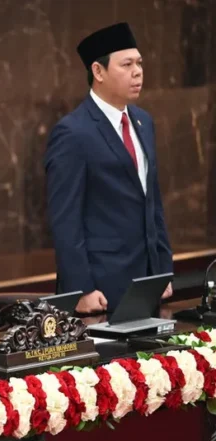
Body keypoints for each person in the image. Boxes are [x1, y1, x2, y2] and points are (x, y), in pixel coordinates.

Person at [45, 23, 173, 314]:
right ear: (98, 72)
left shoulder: (144, 122)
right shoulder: (73, 133)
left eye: (139, 63)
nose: (137, 71)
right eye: (126, 64)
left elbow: (152, 202)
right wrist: (82, 289)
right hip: (101, 289)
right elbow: (65, 220)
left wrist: (163, 269)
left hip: (147, 282)